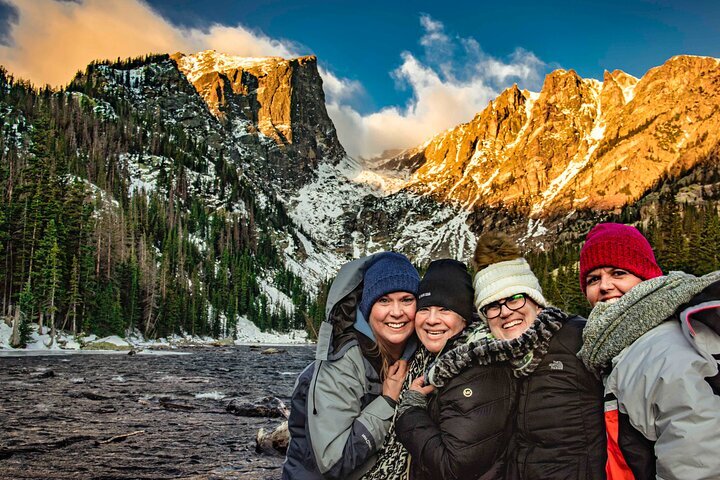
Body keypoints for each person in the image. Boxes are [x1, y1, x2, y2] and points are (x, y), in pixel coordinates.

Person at [426, 232, 606, 479]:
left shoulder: (578, 338)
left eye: (515, 299)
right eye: (493, 305)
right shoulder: (491, 359)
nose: (505, 312)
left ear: (536, 302)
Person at [577, 222, 720, 480]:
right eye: (593, 279)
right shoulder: (622, 344)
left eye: (618, 273)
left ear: (645, 276)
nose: (604, 286)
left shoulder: (661, 347)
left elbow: (697, 457)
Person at [282, 252, 420, 480]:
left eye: (407, 300)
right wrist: (386, 403)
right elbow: (333, 462)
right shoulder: (341, 363)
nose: (397, 312)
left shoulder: (419, 354)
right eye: (383, 300)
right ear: (367, 308)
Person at [392, 259, 517, 480]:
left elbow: (454, 468)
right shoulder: (439, 361)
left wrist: (410, 413)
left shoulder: (478, 366)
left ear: (464, 317)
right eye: (424, 309)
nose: (432, 320)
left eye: (445, 309)